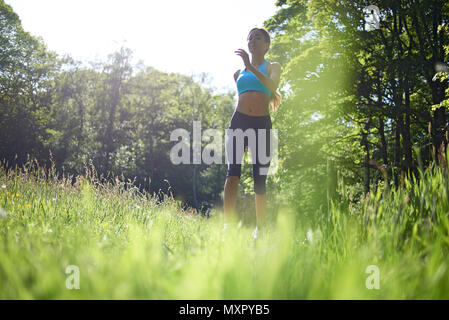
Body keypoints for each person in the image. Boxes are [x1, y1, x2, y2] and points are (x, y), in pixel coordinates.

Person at [223, 27, 281, 240]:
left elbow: (272, 85)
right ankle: (227, 227)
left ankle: (260, 230)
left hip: (261, 124)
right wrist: (246, 67)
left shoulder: (272, 66)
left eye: (258, 37)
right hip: (238, 122)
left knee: (259, 179)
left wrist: (250, 65)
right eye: (250, 38)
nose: (252, 40)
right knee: (232, 174)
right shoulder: (238, 74)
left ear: (266, 45)